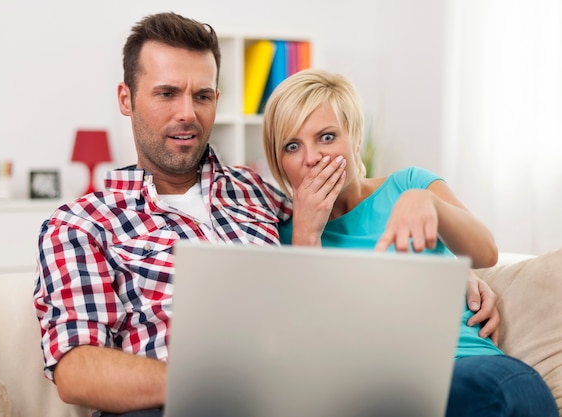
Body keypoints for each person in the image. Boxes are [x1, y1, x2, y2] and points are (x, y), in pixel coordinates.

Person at [33, 12, 501, 417]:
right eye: (167, 93)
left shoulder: (258, 193)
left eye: (203, 96)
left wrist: (444, 271)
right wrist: (213, 381)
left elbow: (337, 244)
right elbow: (76, 368)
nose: (187, 114)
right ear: (126, 99)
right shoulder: (81, 224)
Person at [261, 67, 558, 417]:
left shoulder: (409, 185)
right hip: (378, 390)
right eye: (292, 146)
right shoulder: (284, 239)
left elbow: (485, 253)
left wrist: (430, 204)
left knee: (501, 391)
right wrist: (308, 236)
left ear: (355, 139)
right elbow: (315, 356)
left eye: (326, 137)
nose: (312, 158)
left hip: (467, 367)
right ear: (280, 162)